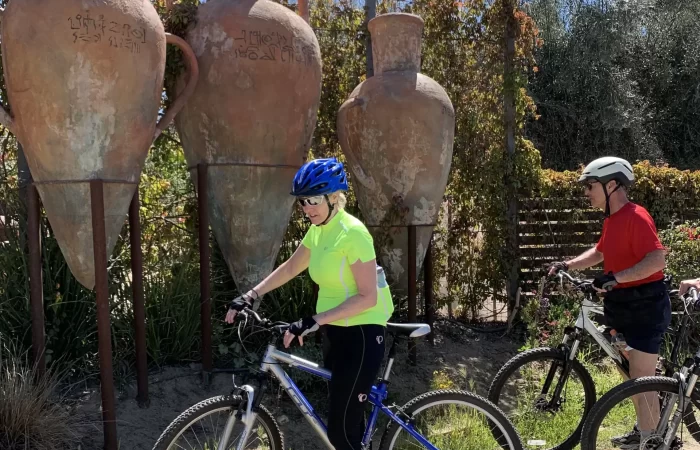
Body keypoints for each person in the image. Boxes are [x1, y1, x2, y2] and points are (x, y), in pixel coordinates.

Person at [225, 157, 394, 450]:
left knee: (340, 435)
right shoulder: (319, 231)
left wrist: (315, 320)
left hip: (362, 334)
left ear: (333, 197)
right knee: (346, 428)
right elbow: (291, 268)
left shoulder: (352, 233)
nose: (306, 209)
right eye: (302, 202)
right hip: (335, 332)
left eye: (313, 200)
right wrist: (250, 295)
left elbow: (368, 296)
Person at [547, 156, 669, 449]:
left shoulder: (636, 216)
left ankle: (653, 441)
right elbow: (599, 252)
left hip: (645, 307)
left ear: (611, 184)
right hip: (622, 306)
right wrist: (567, 263)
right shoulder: (612, 220)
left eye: (591, 185)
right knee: (631, 376)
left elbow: (656, 259)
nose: (586, 192)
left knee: (641, 378)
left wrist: (616, 278)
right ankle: (645, 430)